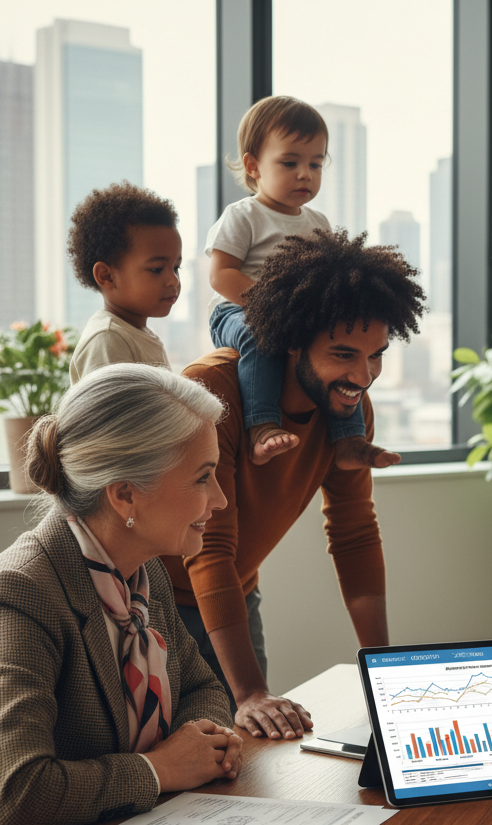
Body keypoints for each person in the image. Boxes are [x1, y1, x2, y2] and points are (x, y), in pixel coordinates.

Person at [165, 227, 424, 744]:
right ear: (290, 343)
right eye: (345, 354)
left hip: (234, 595)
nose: (364, 375)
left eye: (376, 355)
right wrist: (250, 692)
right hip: (154, 602)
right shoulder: (212, 391)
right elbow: (209, 544)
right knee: (180, 762)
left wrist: (384, 671)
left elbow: (354, 535)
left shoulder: (349, 409)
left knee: (247, 754)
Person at [0, 364, 242, 825]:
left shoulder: (143, 570)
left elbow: (204, 690)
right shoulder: (22, 591)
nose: (219, 500)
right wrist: (159, 770)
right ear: (126, 496)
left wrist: (201, 747)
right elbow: (18, 792)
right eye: (202, 478)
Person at [207, 94, 399, 471]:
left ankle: (349, 442)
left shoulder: (318, 222)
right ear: (253, 166)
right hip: (237, 311)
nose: (305, 174)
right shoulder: (244, 215)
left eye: (315, 163)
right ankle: (261, 425)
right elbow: (221, 275)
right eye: (290, 162)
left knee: (339, 359)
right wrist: (271, 308)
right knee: (259, 337)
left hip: (295, 315)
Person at [67, 182, 181, 383]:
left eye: (176, 267)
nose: (173, 280)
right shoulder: (108, 339)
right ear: (107, 276)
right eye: (156, 269)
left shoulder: (138, 334)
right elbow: (114, 414)